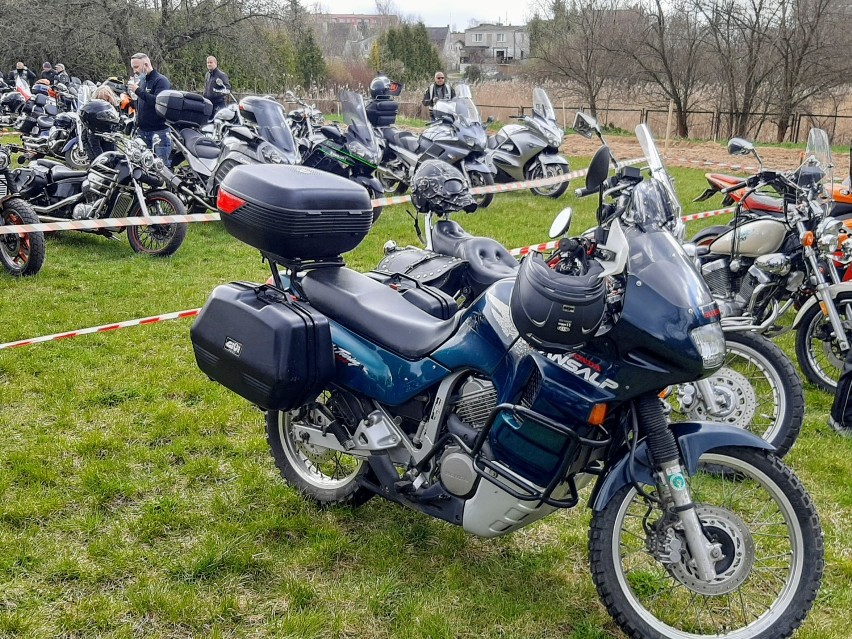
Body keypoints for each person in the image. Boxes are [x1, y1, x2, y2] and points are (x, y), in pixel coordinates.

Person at [127, 52, 172, 166]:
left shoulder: (161, 81)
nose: (134, 71)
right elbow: (143, 102)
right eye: (133, 68)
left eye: (136, 67)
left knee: (162, 167)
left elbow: (158, 102)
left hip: (159, 131)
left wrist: (138, 91)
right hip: (143, 130)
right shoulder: (142, 81)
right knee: (140, 166)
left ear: (146, 64)